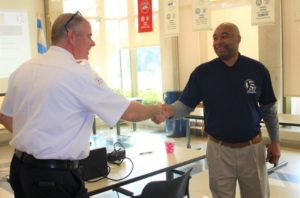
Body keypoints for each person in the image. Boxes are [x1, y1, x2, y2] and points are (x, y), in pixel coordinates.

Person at [0, 12, 165, 198]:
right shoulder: (78, 73)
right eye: (89, 36)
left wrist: (36, 138)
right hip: (54, 179)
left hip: (21, 171)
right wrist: (156, 110)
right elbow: (128, 112)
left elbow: (5, 116)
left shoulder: (23, 69)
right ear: (71, 36)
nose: (92, 43)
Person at [154, 22, 281, 198]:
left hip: (252, 149)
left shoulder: (257, 69)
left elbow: (268, 109)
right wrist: (168, 111)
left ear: (238, 39)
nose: (218, 41)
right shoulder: (203, 73)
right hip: (218, 150)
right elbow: (185, 104)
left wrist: (275, 141)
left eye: (224, 36)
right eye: (215, 37)